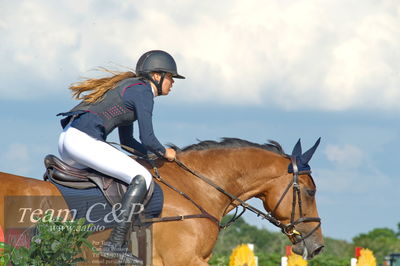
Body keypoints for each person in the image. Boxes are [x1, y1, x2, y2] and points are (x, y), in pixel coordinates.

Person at [57, 50, 185, 264]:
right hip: (83, 141)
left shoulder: (131, 89)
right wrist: (166, 153)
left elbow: (128, 143)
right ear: (156, 76)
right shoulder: (143, 92)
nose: (172, 82)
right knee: (142, 178)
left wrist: (152, 159)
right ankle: (114, 244)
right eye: (171, 77)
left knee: (121, 177)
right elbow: (149, 138)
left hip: (69, 141)